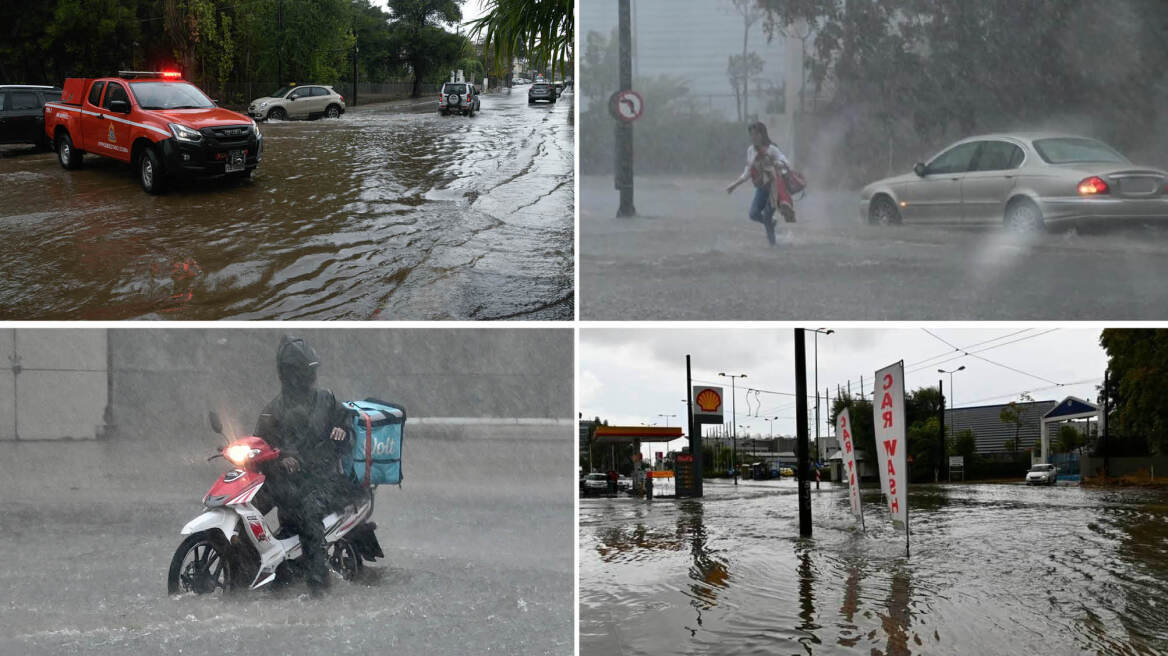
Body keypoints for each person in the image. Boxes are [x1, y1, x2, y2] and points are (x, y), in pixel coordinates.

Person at [255, 335, 356, 597]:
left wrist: (342, 431)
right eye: (302, 372)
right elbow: (260, 446)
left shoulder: (327, 400)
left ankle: (319, 587)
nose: (308, 378)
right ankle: (246, 566)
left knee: (309, 514)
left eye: (309, 371)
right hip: (287, 481)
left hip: (324, 480)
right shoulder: (272, 410)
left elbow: (347, 428)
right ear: (288, 374)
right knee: (251, 505)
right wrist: (279, 459)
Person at [725, 121, 795, 246]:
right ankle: (772, 224)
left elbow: (787, 164)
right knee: (753, 214)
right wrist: (734, 186)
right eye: (751, 134)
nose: (754, 137)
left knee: (767, 215)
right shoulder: (750, 150)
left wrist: (778, 164)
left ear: (762, 134)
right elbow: (748, 172)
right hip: (762, 188)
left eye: (756, 134)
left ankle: (773, 245)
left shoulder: (772, 149)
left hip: (774, 188)